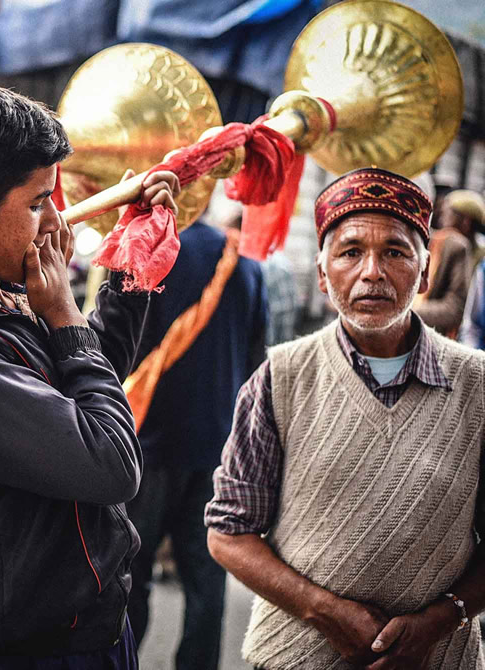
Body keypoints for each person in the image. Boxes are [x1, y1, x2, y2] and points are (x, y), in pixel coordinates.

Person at [0, 83, 179, 668]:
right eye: (37, 203)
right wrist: (65, 316)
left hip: (87, 629)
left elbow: (88, 377)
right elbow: (111, 462)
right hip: (30, 652)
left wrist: (130, 259)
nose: (54, 220)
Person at [206, 167, 485, 669]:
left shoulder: (479, 385)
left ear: (424, 273)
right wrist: (326, 613)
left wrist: (438, 623)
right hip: (295, 657)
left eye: (396, 252)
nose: (372, 272)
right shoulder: (280, 378)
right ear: (322, 272)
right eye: (351, 252)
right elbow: (228, 532)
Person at [125, 217, 267, 669]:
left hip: (149, 443)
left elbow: (127, 347)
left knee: (133, 571)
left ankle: (122, 659)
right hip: (216, 448)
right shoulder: (244, 263)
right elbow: (254, 363)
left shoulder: (155, 252)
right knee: (206, 579)